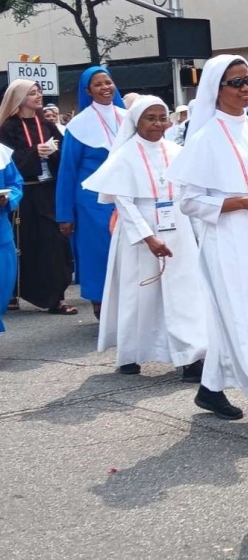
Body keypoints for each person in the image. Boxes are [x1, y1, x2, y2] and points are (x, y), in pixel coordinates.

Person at [165, 54, 248, 419]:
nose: (245, 89)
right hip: (228, 239)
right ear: (216, 89)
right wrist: (240, 202)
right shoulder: (204, 137)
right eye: (236, 83)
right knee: (244, 316)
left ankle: (210, 388)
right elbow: (188, 201)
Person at [82, 96, 207, 380]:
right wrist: (148, 237)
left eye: (162, 117)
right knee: (139, 293)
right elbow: (123, 202)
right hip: (139, 231)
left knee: (184, 293)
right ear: (136, 121)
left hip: (178, 226)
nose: (157, 124)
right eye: (150, 118)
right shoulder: (124, 156)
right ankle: (131, 353)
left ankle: (191, 357)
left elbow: (188, 194)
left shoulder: (177, 151)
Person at [56, 66, 127, 320]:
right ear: (88, 91)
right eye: (98, 84)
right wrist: (65, 214)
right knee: (99, 251)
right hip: (92, 201)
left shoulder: (128, 117)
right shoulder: (78, 125)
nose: (105, 87)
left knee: (128, 251)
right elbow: (67, 172)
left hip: (125, 195)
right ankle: (100, 301)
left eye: (108, 82)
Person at [0, 80, 74, 315]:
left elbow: (64, 157)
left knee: (54, 243)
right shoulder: (8, 128)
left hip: (47, 191)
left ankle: (56, 297)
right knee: (22, 243)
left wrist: (53, 153)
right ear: (19, 99)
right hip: (23, 194)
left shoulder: (47, 125)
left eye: (39, 92)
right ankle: (14, 291)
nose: (38, 96)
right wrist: (34, 153)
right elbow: (7, 163)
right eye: (32, 93)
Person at [0, 145, 23, 333]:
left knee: (2, 288)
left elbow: (15, 183)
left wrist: (8, 199)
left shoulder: (2, 152)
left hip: (1, 234)